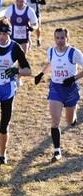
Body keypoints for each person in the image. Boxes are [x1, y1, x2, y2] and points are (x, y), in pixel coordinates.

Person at [0, 18, 32, 165]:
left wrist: (16, 70)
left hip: (8, 92)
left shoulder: (15, 48)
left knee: (5, 125)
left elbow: (28, 71)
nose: (2, 37)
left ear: (9, 34)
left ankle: (2, 155)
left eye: (5, 34)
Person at [34, 28, 83, 162]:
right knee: (55, 121)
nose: (60, 41)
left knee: (69, 120)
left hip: (71, 90)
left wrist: (73, 78)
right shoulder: (50, 51)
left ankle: (73, 118)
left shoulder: (74, 53)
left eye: (62, 38)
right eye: (57, 38)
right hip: (56, 88)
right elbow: (51, 64)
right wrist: (41, 74)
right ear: (54, 38)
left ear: (67, 39)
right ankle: (57, 151)